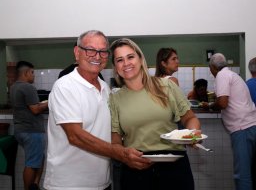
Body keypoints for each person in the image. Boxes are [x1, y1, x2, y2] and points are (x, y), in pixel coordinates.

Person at [43, 30, 151, 190]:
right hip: (69, 184)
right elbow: (75, 136)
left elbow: (111, 130)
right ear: (77, 52)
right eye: (90, 50)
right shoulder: (65, 86)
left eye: (102, 52)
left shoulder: (105, 88)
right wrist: (120, 153)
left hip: (102, 183)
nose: (97, 56)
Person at [109, 38, 201, 190]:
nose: (126, 63)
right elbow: (115, 141)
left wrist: (193, 132)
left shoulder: (166, 86)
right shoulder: (114, 99)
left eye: (130, 57)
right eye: (120, 60)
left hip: (174, 167)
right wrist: (125, 154)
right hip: (136, 169)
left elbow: (190, 118)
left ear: (140, 59)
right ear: (116, 67)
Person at [208, 53, 256, 190]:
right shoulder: (233, 75)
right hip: (251, 125)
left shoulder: (222, 75)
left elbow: (222, 102)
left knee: (242, 175)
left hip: (242, 129)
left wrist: (210, 106)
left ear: (212, 67)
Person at [10, 61, 48, 190]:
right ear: (26, 73)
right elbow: (35, 109)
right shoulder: (28, 87)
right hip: (32, 131)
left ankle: (35, 185)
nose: (34, 75)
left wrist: (40, 104)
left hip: (20, 130)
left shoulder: (14, 86)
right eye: (32, 72)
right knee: (32, 163)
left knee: (39, 158)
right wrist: (51, 101)